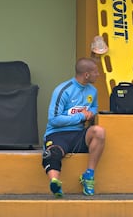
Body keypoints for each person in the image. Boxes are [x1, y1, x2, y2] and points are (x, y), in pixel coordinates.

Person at [42, 57, 105, 197]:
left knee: (99, 132)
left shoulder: (93, 91)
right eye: (96, 72)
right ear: (86, 75)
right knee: (52, 154)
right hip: (58, 134)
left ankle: (89, 176)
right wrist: (81, 117)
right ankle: (55, 183)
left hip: (79, 134)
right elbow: (54, 119)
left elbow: (94, 108)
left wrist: (91, 114)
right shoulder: (63, 90)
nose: (98, 75)